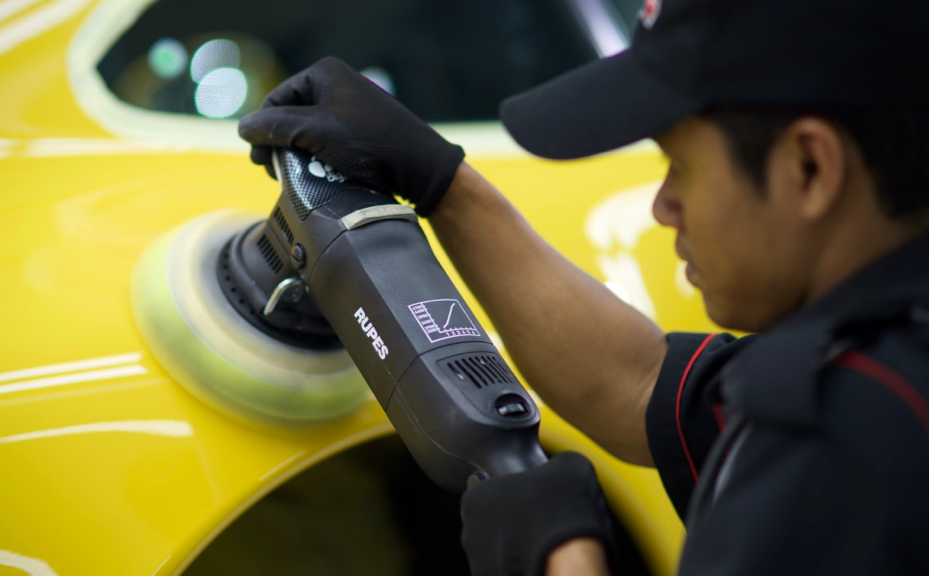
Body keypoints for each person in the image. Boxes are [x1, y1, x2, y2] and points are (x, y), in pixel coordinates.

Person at [238, 0, 929, 573]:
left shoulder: (852, 452)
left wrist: (563, 558)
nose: (662, 206)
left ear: (808, 168)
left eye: (680, 165)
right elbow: (638, 386)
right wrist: (443, 185)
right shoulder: (880, 359)